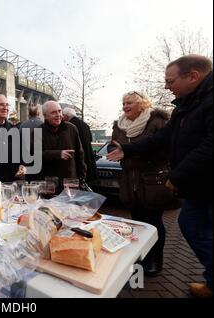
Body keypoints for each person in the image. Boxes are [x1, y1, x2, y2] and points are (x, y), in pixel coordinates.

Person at [107, 54, 213, 298]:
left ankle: (159, 263)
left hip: (162, 182)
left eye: (170, 80)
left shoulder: (167, 115)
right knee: (179, 225)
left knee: (167, 224)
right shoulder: (186, 106)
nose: (167, 86)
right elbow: (163, 140)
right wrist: (126, 150)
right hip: (138, 182)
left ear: (193, 76)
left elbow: (202, 145)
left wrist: (178, 175)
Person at [109, 91, 175, 277]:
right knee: (136, 223)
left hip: (152, 181)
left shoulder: (157, 121)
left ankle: (155, 261)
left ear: (142, 104)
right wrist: (116, 150)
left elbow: (164, 148)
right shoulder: (119, 125)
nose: (125, 106)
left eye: (130, 102)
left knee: (153, 223)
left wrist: (130, 152)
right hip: (130, 182)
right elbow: (113, 146)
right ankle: (140, 259)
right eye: (123, 102)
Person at [39, 101, 86, 193]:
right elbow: (34, 154)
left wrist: (81, 177)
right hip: (49, 184)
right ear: (45, 116)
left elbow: (80, 154)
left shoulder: (72, 129)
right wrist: (57, 154)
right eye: (53, 112)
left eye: (59, 111)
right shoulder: (37, 131)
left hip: (69, 183)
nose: (58, 115)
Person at [62, 107, 97, 183]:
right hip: (88, 159)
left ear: (66, 116)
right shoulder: (84, 124)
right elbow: (90, 139)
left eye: (62, 115)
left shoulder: (69, 126)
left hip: (78, 160)